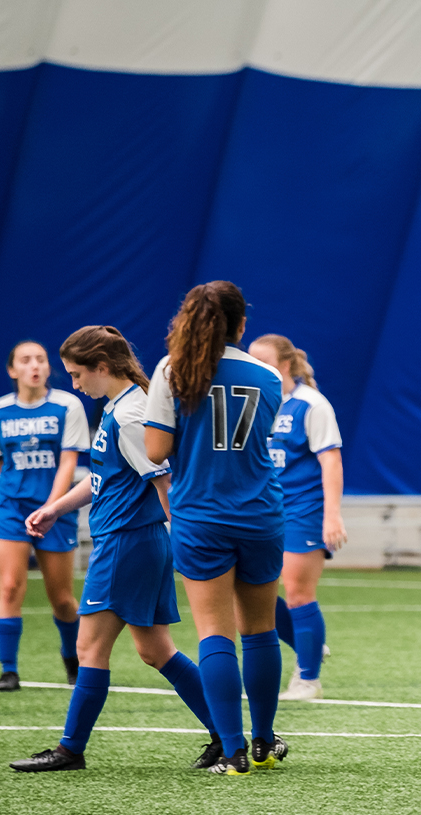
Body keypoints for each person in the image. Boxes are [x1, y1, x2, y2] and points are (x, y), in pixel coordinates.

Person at [8, 326, 220, 772]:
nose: (74, 383)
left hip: (127, 542)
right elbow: (105, 478)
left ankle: (70, 750)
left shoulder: (130, 415)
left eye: (78, 374)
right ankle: (229, 734)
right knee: (155, 650)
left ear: (103, 368)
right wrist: (55, 508)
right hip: (134, 541)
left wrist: (183, 539)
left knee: (89, 648)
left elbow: (164, 482)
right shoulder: (120, 408)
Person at [143, 281, 288, 776]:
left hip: (201, 516)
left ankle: (233, 749)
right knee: (261, 630)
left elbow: (156, 452)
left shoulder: (171, 371)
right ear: (240, 325)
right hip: (261, 514)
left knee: (214, 634)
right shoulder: (269, 376)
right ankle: (266, 739)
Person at [0, 340, 89, 691]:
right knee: (11, 585)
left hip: (54, 508)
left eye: (41, 359)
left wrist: (52, 507)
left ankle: (72, 660)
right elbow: (1, 464)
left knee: (61, 598)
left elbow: (68, 463)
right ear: (13, 371)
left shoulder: (67, 405)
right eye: (26, 360)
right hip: (10, 506)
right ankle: (8, 671)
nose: (35, 366)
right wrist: (8, 498)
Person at [248, 335, 346, 701]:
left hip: (303, 509)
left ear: (285, 365)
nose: (254, 367)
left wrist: (332, 517)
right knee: (250, 588)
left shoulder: (311, 405)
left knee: (298, 592)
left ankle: (307, 680)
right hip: (262, 511)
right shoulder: (255, 402)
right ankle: (309, 641)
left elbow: (330, 460)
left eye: (263, 361)